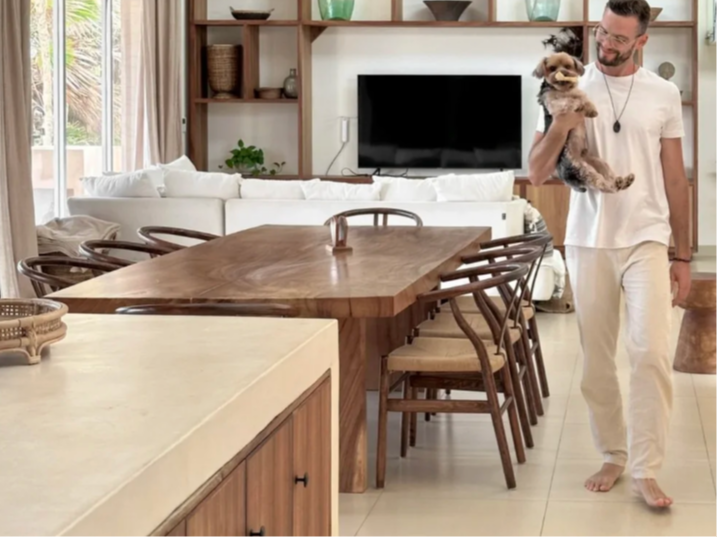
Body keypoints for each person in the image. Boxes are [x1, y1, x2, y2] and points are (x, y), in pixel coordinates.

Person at [528, 0, 691, 508]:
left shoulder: (663, 94)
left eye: (619, 38)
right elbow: (536, 172)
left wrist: (683, 256)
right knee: (597, 362)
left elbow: (674, 178)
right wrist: (562, 123)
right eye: (602, 32)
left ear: (642, 41)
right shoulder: (564, 87)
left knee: (650, 354)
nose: (606, 44)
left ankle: (645, 469)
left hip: (647, 237)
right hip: (588, 239)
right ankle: (613, 454)